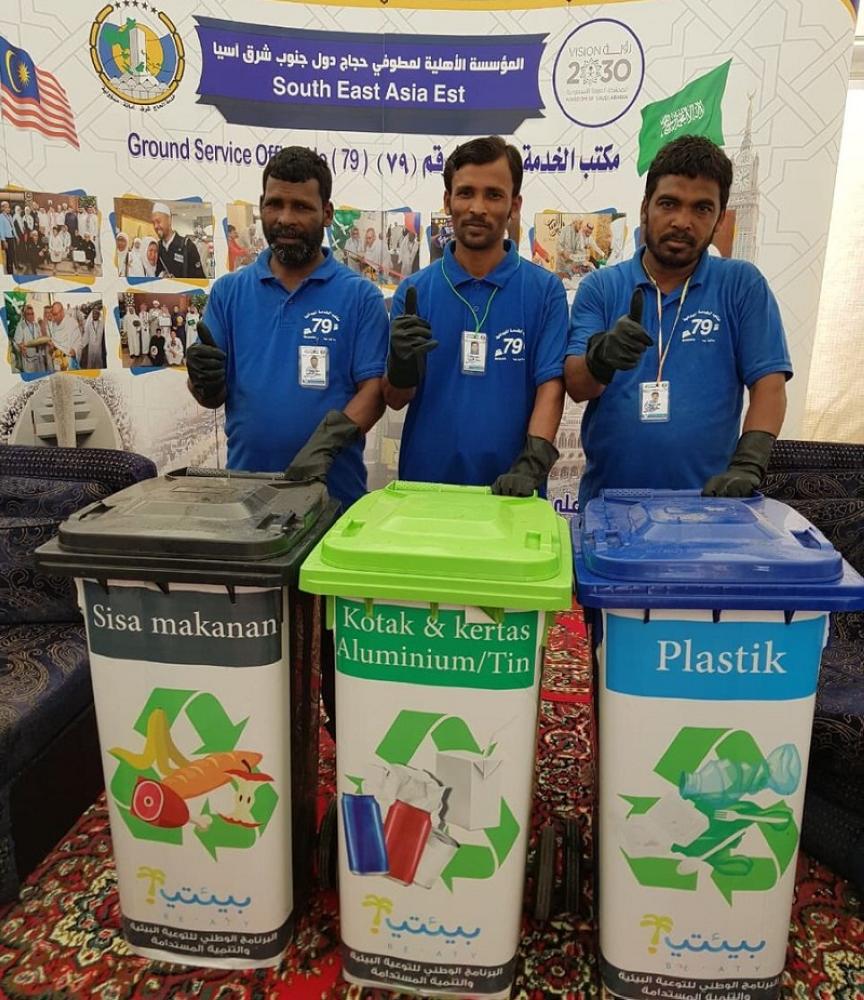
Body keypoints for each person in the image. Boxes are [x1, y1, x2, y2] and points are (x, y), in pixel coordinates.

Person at [185, 146, 389, 738]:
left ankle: (351, 751)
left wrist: (326, 446)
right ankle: (263, 749)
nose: (286, 218)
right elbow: (210, 394)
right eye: (275, 204)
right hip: (248, 505)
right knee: (260, 650)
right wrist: (203, 380)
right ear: (261, 208)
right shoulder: (229, 293)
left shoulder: (357, 296)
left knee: (337, 650)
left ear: (327, 213)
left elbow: (374, 388)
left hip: (334, 503)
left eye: (301, 206)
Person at [565, 135, 791, 508]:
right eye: (669, 203)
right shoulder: (601, 287)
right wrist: (600, 359)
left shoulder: (741, 285)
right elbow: (577, 386)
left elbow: (770, 387)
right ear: (645, 208)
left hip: (709, 509)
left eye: (701, 208)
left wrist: (748, 464)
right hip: (610, 509)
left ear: (719, 219)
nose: (682, 221)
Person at [384, 135, 567, 496]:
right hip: (425, 490)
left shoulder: (545, 290)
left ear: (514, 204)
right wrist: (401, 367)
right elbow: (394, 398)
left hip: (513, 492)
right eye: (466, 193)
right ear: (447, 201)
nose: (477, 207)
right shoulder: (415, 291)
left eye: (493, 195)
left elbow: (551, 387)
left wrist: (531, 465)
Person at [151, 202, 205, 279]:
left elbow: (200, 279)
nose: (155, 226)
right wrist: (162, 276)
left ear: (169, 220)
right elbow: (155, 273)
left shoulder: (187, 246)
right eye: (153, 223)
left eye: (158, 221)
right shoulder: (158, 247)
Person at [11, 302, 49, 373]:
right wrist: (21, 347)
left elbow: (39, 337)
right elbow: (16, 342)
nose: (31, 316)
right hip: (28, 358)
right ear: (24, 315)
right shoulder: (21, 325)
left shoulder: (36, 324)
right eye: (28, 314)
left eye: (32, 313)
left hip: (38, 356)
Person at [47, 300, 82, 367]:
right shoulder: (53, 325)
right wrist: (51, 347)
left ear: (62, 312)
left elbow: (78, 341)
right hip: (57, 360)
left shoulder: (71, 322)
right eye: (53, 314)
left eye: (56, 314)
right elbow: (54, 343)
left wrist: (75, 350)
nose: (54, 317)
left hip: (69, 360)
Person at [80, 304, 105, 369]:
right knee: (91, 363)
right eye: (93, 314)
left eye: (96, 314)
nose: (94, 315)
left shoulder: (102, 324)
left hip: (99, 348)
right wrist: (82, 345)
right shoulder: (89, 325)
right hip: (91, 348)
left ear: (99, 315)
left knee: (99, 363)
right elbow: (86, 336)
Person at [1, 202, 16, 274]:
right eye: (7, 207)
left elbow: (12, 227)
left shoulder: (10, 216)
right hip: (6, 239)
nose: (8, 209)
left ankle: (11, 271)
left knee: (12, 255)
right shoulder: (1, 217)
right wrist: (4, 241)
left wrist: (15, 236)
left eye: (9, 207)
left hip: (12, 238)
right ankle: (10, 272)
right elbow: (1, 230)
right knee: (9, 256)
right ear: (2, 208)